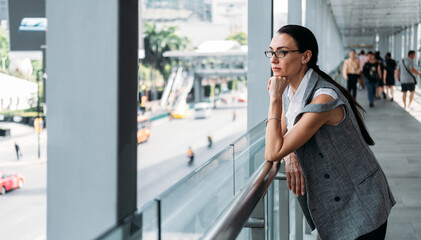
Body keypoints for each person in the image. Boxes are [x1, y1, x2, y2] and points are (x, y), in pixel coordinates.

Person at [264, 25, 395, 240]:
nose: (273, 59)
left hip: (361, 203)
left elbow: (272, 151)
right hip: (338, 198)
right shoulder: (293, 90)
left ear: (306, 56)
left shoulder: (323, 98)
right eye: (271, 51)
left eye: (283, 52)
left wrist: (274, 98)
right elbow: (282, 134)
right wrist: (291, 155)